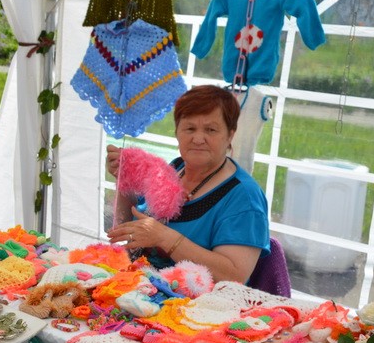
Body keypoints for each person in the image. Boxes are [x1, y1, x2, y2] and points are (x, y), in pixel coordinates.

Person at [105, 84, 269, 283]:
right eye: (190, 128)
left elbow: (233, 275)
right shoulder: (174, 169)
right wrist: (124, 181)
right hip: (140, 286)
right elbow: (130, 225)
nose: (198, 139)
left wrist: (165, 237)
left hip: (201, 301)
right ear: (177, 133)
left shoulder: (244, 197)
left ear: (230, 135)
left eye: (211, 130)